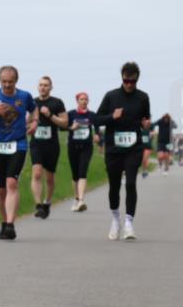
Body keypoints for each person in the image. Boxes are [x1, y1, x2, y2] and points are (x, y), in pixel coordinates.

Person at [0, 66, 38, 240]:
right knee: (1, 189)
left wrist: (35, 122)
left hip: (18, 145)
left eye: (10, 82)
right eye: (4, 81)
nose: (7, 85)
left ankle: (10, 224)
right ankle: (4, 222)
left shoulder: (24, 96)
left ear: (16, 81)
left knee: (12, 183)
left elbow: (34, 109)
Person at [95, 62, 151, 240]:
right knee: (114, 186)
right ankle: (115, 219)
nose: (129, 84)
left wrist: (146, 125)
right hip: (113, 148)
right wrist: (112, 116)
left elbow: (145, 120)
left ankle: (129, 224)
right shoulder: (111, 96)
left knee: (131, 183)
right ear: (122, 78)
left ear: (137, 80)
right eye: (126, 81)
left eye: (132, 81)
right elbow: (97, 119)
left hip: (134, 148)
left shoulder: (143, 98)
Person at [29, 76, 67, 219]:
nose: (43, 87)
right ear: (37, 87)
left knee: (49, 178)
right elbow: (27, 121)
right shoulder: (32, 103)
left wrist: (50, 115)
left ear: (50, 87)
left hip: (52, 145)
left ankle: (47, 202)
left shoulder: (57, 102)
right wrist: (29, 124)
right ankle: (38, 205)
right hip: (36, 143)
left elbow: (65, 123)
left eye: (46, 85)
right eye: (40, 85)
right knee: (37, 173)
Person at [64, 92, 98, 212]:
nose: (84, 101)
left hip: (86, 147)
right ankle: (77, 199)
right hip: (73, 146)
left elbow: (97, 126)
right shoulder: (71, 114)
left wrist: (97, 135)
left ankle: (82, 200)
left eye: (86, 99)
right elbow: (62, 127)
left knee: (82, 172)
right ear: (77, 101)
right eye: (81, 99)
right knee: (75, 175)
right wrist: (71, 128)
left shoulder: (91, 115)